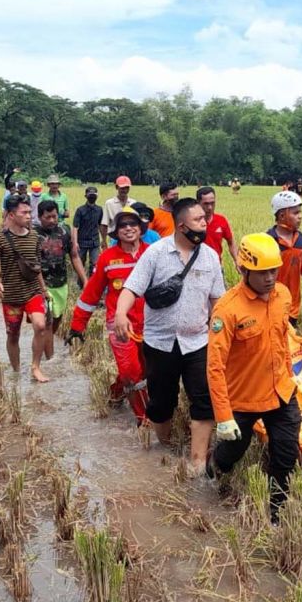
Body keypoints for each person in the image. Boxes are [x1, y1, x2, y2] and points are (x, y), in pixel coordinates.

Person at [114, 197, 225, 473]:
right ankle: (163, 450)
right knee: (162, 404)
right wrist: (120, 314)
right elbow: (131, 288)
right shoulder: (156, 253)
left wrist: (223, 334)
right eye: (198, 219)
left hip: (198, 341)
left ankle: (197, 463)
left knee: (203, 401)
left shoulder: (210, 257)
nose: (205, 223)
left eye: (204, 218)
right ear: (181, 224)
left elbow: (218, 302)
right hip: (160, 343)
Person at [206, 234, 301, 523]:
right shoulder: (228, 309)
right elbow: (215, 367)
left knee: (286, 454)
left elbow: (283, 340)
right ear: (244, 270)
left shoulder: (283, 295)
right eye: (262, 273)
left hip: (281, 393)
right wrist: (223, 416)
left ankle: (276, 511)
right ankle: (215, 464)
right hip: (243, 400)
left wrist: (289, 376)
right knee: (233, 451)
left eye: (274, 270)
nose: (271, 278)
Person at [68, 208, 150, 422]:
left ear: (141, 229)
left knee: (148, 372)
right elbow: (91, 294)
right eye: (123, 225)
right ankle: (144, 420)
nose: (128, 228)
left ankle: (116, 393)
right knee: (132, 372)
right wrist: (77, 325)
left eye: (133, 223)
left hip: (151, 326)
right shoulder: (107, 258)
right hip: (120, 326)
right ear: (115, 231)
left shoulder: (152, 254)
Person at [0, 196, 50, 382]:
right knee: (13, 334)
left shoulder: (35, 238)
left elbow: (35, 267)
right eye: (25, 213)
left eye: (30, 212)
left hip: (32, 292)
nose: (30, 216)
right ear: (12, 215)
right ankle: (15, 371)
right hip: (12, 295)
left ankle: (35, 367)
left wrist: (44, 290)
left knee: (40, 325)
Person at [36, 199, 87, 362]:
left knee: (58, 318)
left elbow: (74, 256)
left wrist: (85, 280)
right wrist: (42, 288)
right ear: (39, 217)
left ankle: (44, 343)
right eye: (47, 217)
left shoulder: (64, 231)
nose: (51, 220)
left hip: (61, 283)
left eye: (54, 216)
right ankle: (50, 361)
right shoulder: (33, 235)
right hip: (42, 284)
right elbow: (32, 264)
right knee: (48, 321)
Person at [267, 191, 302, 325]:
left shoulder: (300, 238)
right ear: (282, 215)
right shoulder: (269, 241)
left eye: (300, 212)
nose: (300, 217)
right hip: (272, 305)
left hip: (292, 308)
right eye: (295, 213)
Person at [72, 186, 103, 280]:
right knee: (80, 262)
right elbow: (75, 227)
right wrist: (75, 242)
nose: (92, 197)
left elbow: (100, 225)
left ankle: (92, 282)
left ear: (97, 196)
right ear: (85, 196)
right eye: (90, 195)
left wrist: (103, 240)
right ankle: (80, 282)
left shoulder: (99, 209)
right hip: (82, 241)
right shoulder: (80, 210)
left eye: (94, 195)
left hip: (95, 241)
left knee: (95, 263)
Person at [197, 186, 235, 262]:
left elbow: (231, 242)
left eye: (212, 203)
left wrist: (237, 261)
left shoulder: (221, 220)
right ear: (198, 202)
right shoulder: (192, 221)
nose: (210, 207)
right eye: (206, 204)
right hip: (197, 269)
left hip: (217, 267)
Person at [100, 175, 136, 244]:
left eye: (127, 188)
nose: (125, 190)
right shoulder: (109, 203)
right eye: (122, 188)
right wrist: (104, 241)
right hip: (115, 239)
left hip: (130, 237)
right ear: (116, 187)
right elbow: (104, 224)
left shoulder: (133, 203)